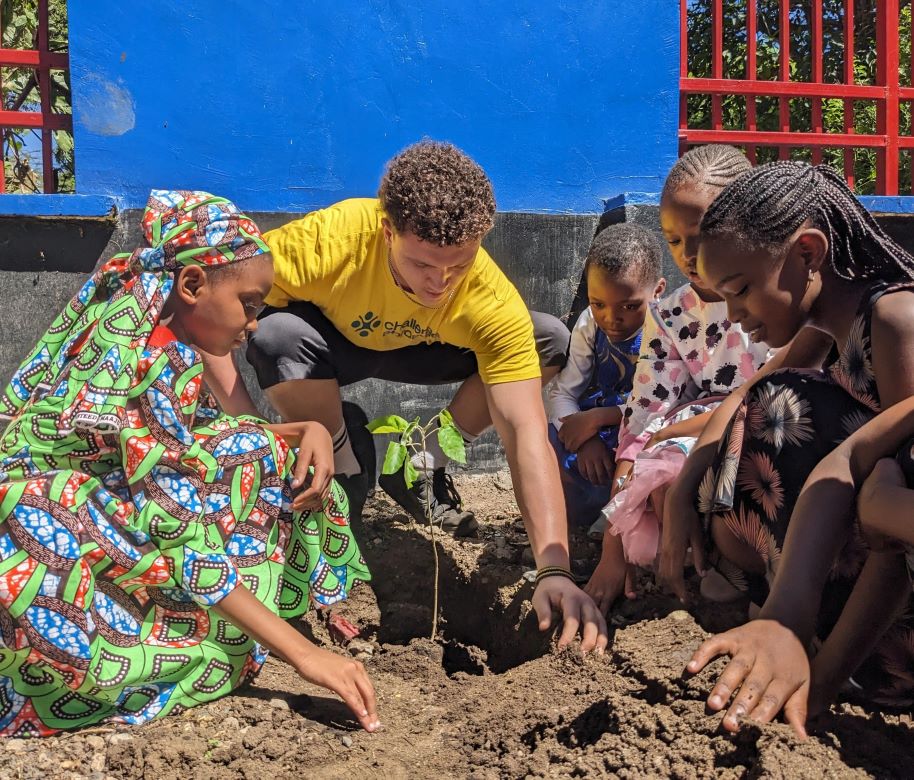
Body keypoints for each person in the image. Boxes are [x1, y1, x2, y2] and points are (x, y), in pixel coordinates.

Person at [204, 140, 608, 652]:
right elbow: (212, 315)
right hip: (333, 342)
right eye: (421, 265)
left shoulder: (487, 295)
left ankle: (421, 461)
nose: (440, 284)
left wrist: (555, 568)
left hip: (428, 350)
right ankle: (343, 464)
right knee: (274, 334)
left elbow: (527, 432)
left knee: (546, 335)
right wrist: (251, 431)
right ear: (387, 229)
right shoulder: (332, 239)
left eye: (457, 267)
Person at [0, 190, 377, 736]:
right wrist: (304, 658)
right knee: (204, 647)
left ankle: (264, 615)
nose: (253, 325)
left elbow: (189, 442)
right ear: (193, 284)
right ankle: (194, 639)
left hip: (105, 498)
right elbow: (181, 540)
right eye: (249, 304)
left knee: (268, 454)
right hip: (42, 530)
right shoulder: (148, 362)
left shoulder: (152, 323)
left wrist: (306, 429)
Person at [671, 161, 914, 736]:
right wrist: (684, 491)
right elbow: (745, 395)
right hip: (857, 543)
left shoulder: (896, 321)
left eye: (740, 291)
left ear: (807, 254)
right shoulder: (835, 318)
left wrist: (820, 685)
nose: (732, 315)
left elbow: (896, 551)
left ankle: (834, 653)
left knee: (788, 407)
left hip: (889, 630)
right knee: (769, 404)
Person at [583, 145, 771, 614]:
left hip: (762, 429)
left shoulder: (776, 297)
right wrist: (613, 545)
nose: (688, 255)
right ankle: (694, 576)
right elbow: (645, 413)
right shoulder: (670, 315)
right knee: (661, 469)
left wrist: (674, 434)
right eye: (673, 240)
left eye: (703, 235)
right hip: (695, 430)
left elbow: (779, 392)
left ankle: (747, 574)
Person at [546, 223, 665, 528]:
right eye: (598, 304)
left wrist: (600, 418)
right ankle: (573, 523)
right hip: (596, 434)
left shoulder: (669, 329)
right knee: (543, 440)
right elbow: (564, 392)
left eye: (629, 305)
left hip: (642, 428)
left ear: (658, 292)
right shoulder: (590, 323)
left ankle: (624, 521)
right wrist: (586, 439)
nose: (612, 318)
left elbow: (664, 406)